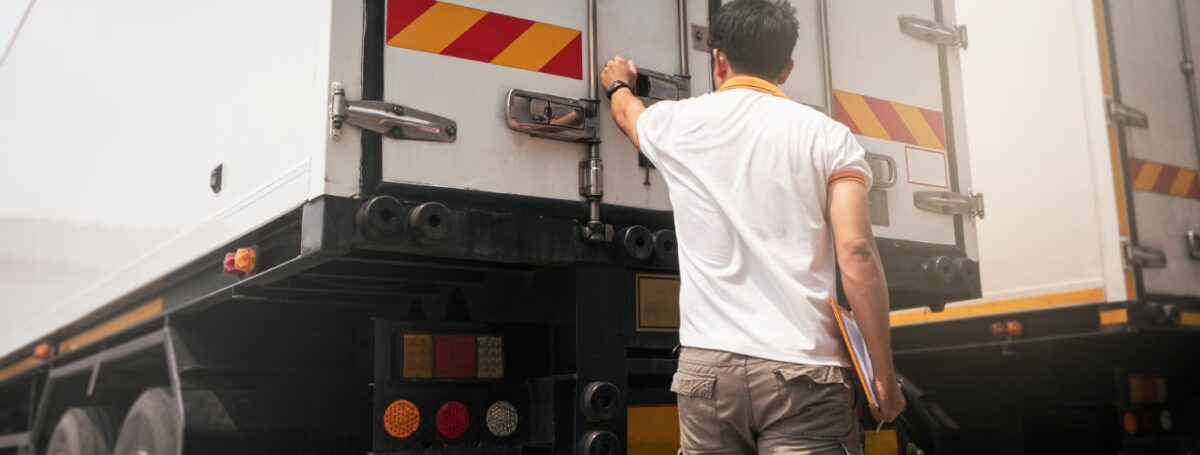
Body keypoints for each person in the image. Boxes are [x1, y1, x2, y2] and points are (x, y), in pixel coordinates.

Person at [599, 0, 905, 453]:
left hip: (708, 373)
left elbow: (628, 115)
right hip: (805, 376)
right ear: (787, 67)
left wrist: (618, 83)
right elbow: (857, 252)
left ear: (718, 59)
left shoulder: (680, 124)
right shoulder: (830, 137)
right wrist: (882, 374)